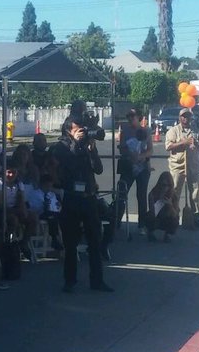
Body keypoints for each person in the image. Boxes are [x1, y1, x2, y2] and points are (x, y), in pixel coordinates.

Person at [51, 116, 112, 293]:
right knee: (71, 243)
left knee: (94, 240)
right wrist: (76, 144)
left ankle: (97, 281)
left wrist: (92, 151)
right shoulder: (61, 147)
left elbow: (98, 169)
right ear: (69, 130)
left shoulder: (87, 145)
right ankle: (70, 281)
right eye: (79, 129)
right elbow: (66, 165)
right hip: (71, 199)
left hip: (88, 197)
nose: (83, 132)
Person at [114, 109, 152, 231]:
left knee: (141, 195)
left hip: (143, 167)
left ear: (139, 117)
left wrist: (141, 156)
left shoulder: (146, 131)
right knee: (122, 192)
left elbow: (150, 150)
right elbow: (122, 149)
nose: (130, 118)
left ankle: (142, 225)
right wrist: (130, 154)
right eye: (128, 116)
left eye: (132, 116)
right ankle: (116, 222)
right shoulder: (125, 131)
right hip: (128, 166)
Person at [164, 107, 199, 216]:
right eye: (184, 116)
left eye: (188, 116)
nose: (186, 118)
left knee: (195, 193)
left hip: (193, 166)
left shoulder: (196, 130)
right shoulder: (173, 131)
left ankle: (195, 216)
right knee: (175, 192)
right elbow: (168, 146)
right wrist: (184, 142)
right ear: (180, 118)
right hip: (178, 166)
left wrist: (197, 143)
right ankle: (173, 215)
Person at [147, 171, 179, 242]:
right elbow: (152, 212)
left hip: (167, 217)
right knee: (148, 217)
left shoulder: (173, 195)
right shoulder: (153, 194)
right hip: (157, 216)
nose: (165, 188)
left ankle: (167, 234)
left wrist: (170, 205)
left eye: (167, 185)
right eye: (162, 185)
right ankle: (150, 232)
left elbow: (175, 214)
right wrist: (158, 202)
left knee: (175, 220)